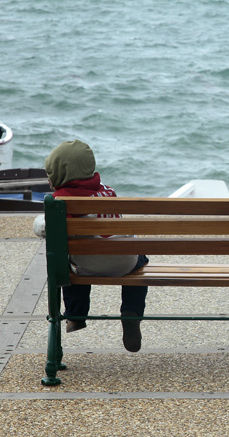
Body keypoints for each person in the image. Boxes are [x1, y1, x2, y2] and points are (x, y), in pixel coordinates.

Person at [35, 139, 149, 353]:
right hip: (125, 264)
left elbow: (45, 229)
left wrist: (39, 221)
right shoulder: (108, 191)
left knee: (69, 261)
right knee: (140, 260)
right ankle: (131, 312)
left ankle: (76, 315)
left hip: (87, 266)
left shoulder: (61, 202)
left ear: (61, 174)